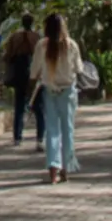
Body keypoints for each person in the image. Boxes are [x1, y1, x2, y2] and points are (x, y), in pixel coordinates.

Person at [30, 13, 82, 184]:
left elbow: (34, 71)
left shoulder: (41, 45)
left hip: (49, 90)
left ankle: (53, 171)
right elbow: (79, 69)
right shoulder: (71, 45)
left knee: (52, 130)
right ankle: (66, 169)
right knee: (67, 129)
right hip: (67, 91)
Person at [3, 14, 43, 148]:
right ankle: (40, 137)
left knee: (19, 106)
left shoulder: (14, 37)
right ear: (32, 23)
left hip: (19, 72)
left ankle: (17, 137)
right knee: (38, 107)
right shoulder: (37, 37)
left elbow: (7, 56)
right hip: (34, 71)